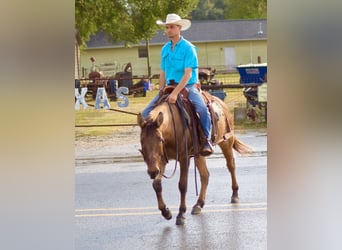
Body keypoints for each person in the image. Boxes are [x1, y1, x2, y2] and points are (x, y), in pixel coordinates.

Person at [141, 13, 213, 156]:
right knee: (145, 114)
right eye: (167, 27)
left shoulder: (188, 48)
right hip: (169, 87)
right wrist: (162, 90)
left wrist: (175, 93)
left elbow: (187, 74)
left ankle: (206, 139)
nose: (168, 30)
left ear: (179, 28)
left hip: (188, 86)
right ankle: (151, 145)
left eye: (171, 27)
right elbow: (163, 72)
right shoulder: (165, 49)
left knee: (202, 109)